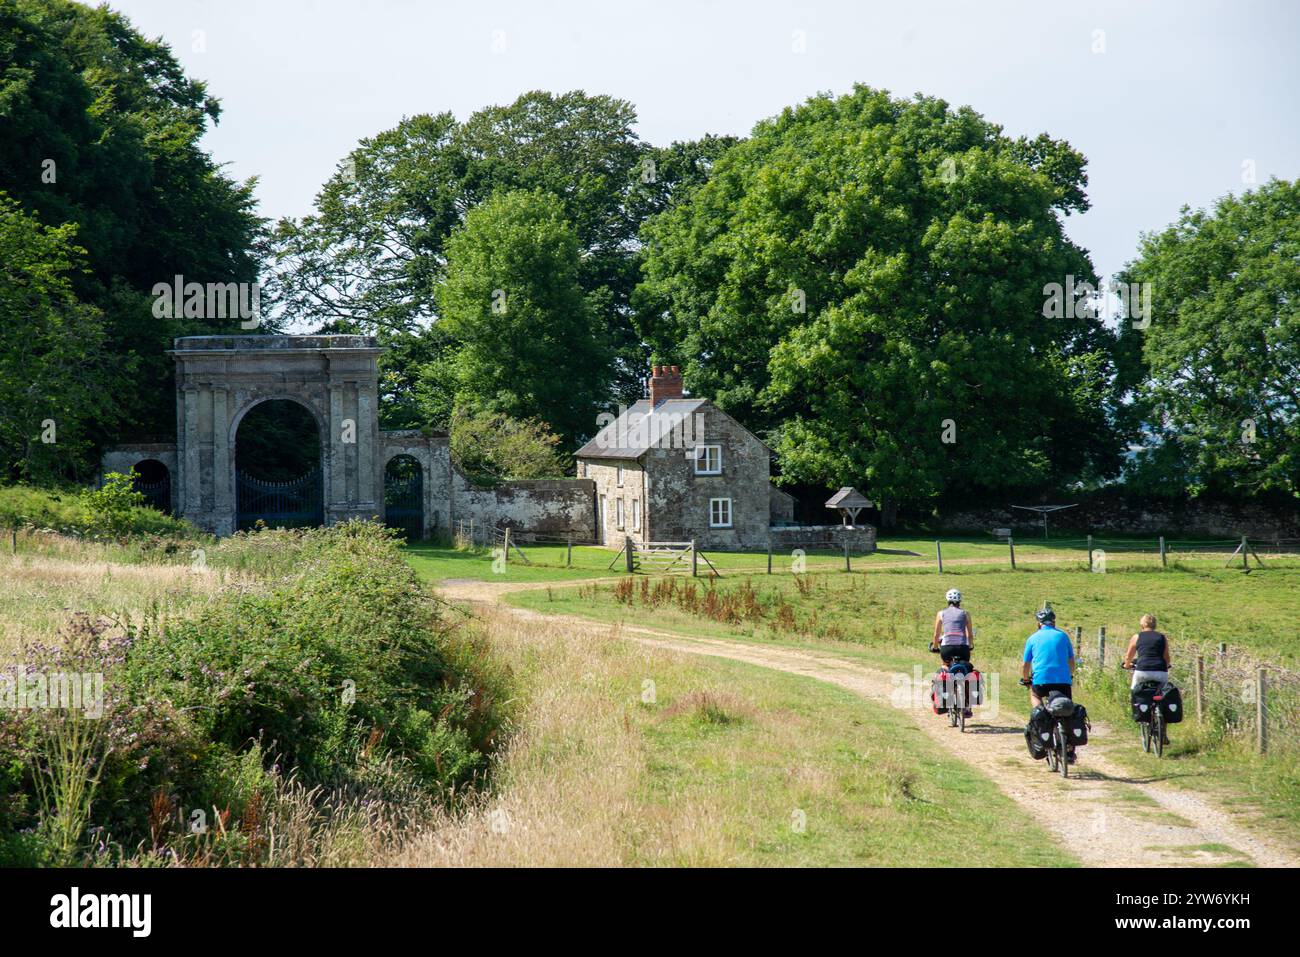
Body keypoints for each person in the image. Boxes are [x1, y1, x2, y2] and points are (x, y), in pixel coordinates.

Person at [1020, 606, 1075, 709]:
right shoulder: (1063, 636)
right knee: (1066, 707)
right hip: (1063, 681)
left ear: (1038, 623)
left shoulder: (1032, 638)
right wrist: (1070, 675)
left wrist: (1026, 679)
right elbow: (1071, 661)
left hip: (1041, 680)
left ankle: (1040, 716)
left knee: (1035, 694)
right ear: (1054, 622)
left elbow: (1025, 665)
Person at [1123, 614, 1171, 689]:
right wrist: (1167, 665)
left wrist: (1127, 665)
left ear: (1142, 625)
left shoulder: (1137, 637)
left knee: (1135, 691)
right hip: (1160, 670)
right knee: (1163, 693)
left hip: (1142, 670)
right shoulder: (1162, 637)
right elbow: (1167, 657)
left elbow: (1128, 657)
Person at [930, 589, 974, 665]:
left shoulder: (940, 613)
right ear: (960, 600)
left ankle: (944, 672)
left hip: (947, 648)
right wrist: (970, 646)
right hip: (962, 648)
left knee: (945, 666)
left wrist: (935, 647)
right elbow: (969, 635)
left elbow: (936, 635)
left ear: (947, 600)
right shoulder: (966, 614)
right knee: (967, 667)